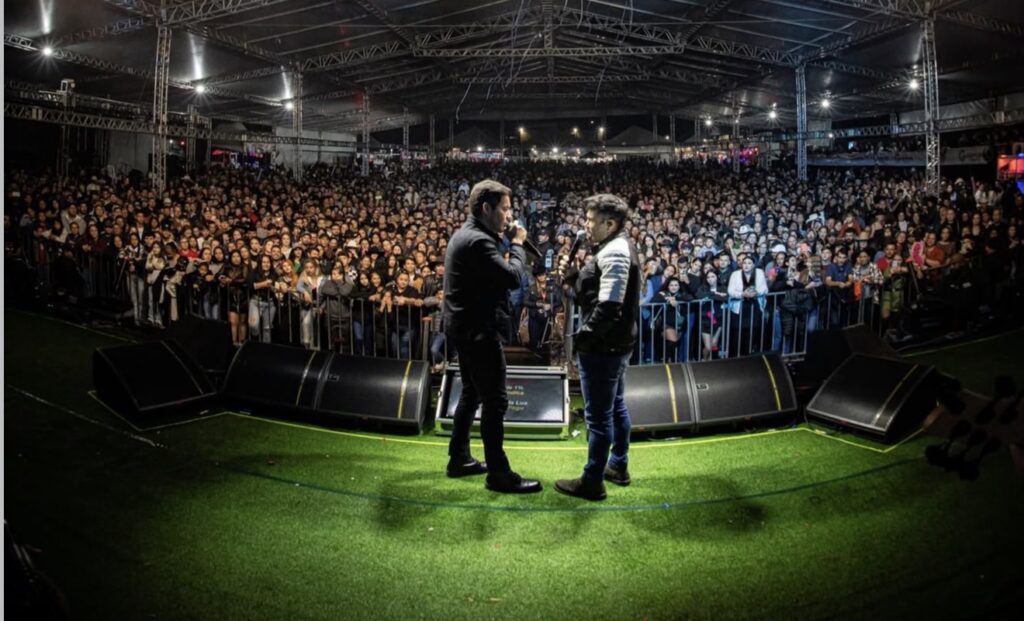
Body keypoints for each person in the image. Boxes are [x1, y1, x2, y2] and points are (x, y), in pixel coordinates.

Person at [443, 179, 541, 494]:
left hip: (465, 327)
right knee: (495, 401)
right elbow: (511, 277)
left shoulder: (472, 234)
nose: (509, 215)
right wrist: (517, 244)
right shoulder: (477, 241)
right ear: (487, 208)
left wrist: (506, 239)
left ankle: (459, 458)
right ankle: (499, 474)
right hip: (477, 330)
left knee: (471, 393)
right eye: (505, 208)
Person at [556, 193, 641, 501]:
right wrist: (573, 280)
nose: (586, 225)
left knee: (598, 417)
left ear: (610, 223)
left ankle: (592, 480)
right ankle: (617, 465)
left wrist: (584, 339)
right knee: (615, 406)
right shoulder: (615, 246)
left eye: (591, 220)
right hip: (615, 345)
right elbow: (594, 297)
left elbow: (608, 308)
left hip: (604, 348)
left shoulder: (615, 252)